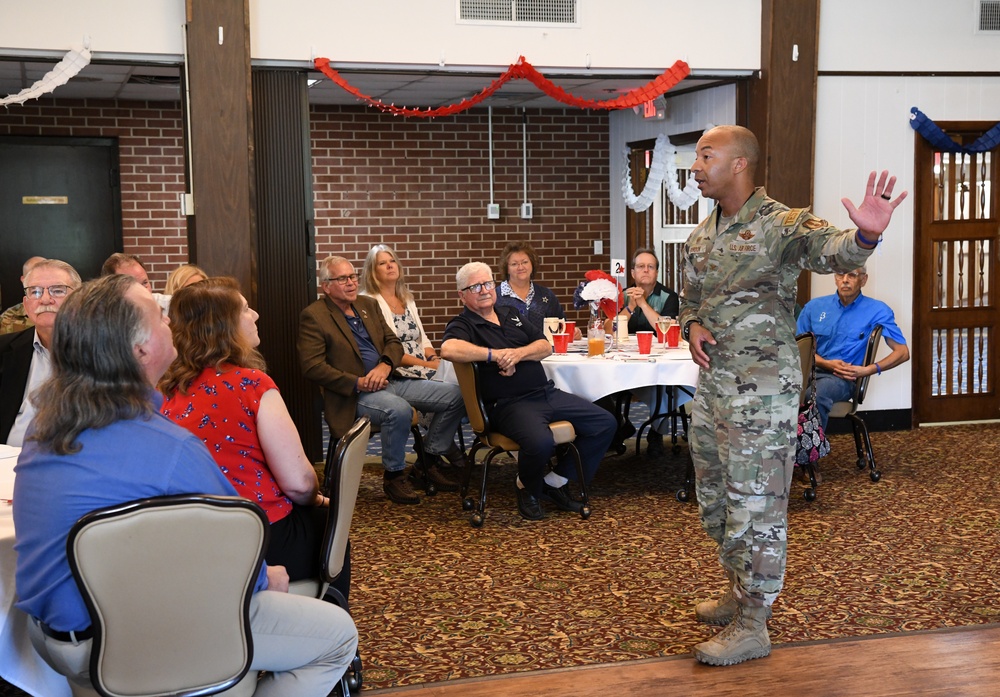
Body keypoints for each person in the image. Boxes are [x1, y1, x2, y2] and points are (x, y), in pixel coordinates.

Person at [13, 274, 358, 696]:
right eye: (160, 315)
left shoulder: (42, 431)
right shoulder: (170, 447)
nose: (170, 323)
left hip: (52, 640)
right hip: (128, 642)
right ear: (140, 349)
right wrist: (270, 580)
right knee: (337, 636)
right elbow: (239, 553)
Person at [679, 124, 906, 666]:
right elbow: (690, 297)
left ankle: (755, 623)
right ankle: (739, 589)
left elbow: (832, 250)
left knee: (757, 507)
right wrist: (691, 324)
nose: (695, 165)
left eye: (706, 155)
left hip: (762, 396)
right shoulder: (702, 234)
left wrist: (867, 237)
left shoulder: (780, 223)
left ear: (739, 164)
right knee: (718, 502)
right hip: (713, 391)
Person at [159, 277, 349, 598]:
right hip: (257, 535)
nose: (256, 315)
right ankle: (334, 629)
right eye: (246, 309)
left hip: (186, 539)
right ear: (224, 326)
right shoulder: (251, 384)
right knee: (330, 525)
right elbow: (299, 483)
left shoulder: (160, 389)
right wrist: (315, 499)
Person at [440, 262, 617, 520]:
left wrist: (518, 355)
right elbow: (449, 349)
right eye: (475, 286)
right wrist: (495, 355)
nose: (484, 290)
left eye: (488, 283)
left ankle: (554, 482)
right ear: (462, 295)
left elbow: (545, 345)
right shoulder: (464, 324)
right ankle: (527, 487)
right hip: (509, 404)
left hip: (545, 393)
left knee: (605, 422)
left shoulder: (510, 312)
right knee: (540, 441)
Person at [298, 255, 466, 505]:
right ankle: (394, 475)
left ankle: (427, 460)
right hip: (354, 394)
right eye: (342, 279)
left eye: (353, 276)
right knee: (397, 410)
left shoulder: (367, 305)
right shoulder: (314, 316)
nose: (351, 283)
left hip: (391, 380)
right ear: (327, 286)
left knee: (456, 395)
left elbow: (393, 343)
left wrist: (385, 365)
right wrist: (358, 382)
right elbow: (312, 367)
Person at [360, 244, 468, 469]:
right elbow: (389, 351)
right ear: (372, 271)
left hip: (420, 365)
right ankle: (440, 448)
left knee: (464, 388)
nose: (390, 266)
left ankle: (432, 446)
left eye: (392, 261)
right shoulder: (369, 301)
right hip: (398, 370)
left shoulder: (406, 298)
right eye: (382, 263)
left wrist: (433, 359)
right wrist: (426, 365)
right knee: (453, 390)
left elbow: (422, 338)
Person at [796, 266, 909, 431]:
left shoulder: (877, 310)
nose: (845, 280)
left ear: (863, 280)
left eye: (852, 275)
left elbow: (903, 352)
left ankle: (809, 453)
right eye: (840, 274)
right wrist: (826, 363)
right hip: (807, 372)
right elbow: (797, 349)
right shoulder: (814, 307)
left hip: (842, 379)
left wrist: (869, 370)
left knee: (814, 395)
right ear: (835, 278)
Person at [0, 259, 81, 445]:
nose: (45, 299)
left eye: (57, 290)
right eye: (35, 291)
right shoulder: (5, 351)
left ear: (79, 299)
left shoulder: (102, 350)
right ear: (26, 304)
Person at [612, 248, 681, 456]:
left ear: (656, 273)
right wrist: (631, 306)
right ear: (632, 272)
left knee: (665, 386)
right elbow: (609, 329)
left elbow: (665, 331)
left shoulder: (669, 297)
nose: (645, 271)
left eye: (651, 267)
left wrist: (643, 303)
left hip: (658, 361)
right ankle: (618, 427)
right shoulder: (621, 296)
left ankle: (657, 433)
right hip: (625, 362)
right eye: (641, 267)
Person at [494, 241, 580, 340]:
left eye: (525, 262)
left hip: (545, 353)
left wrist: (574, 332)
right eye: (514, 264)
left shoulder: (546, 295)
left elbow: (562, 326)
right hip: (510, 353)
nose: (520, 267)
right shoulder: (495, 296)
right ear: (507, 269)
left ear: (532, 264)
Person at [101, 252, 170, 313]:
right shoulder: (101, 318)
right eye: (133, 287)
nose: (144, 292)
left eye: (145, 283)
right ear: (112, 291)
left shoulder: (168, 306)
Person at [0, 256, 46, 335]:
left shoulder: (67, 313)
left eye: (46, 275)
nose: (42, 281)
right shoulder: (8, 318)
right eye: (35, 276)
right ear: (24, 280)